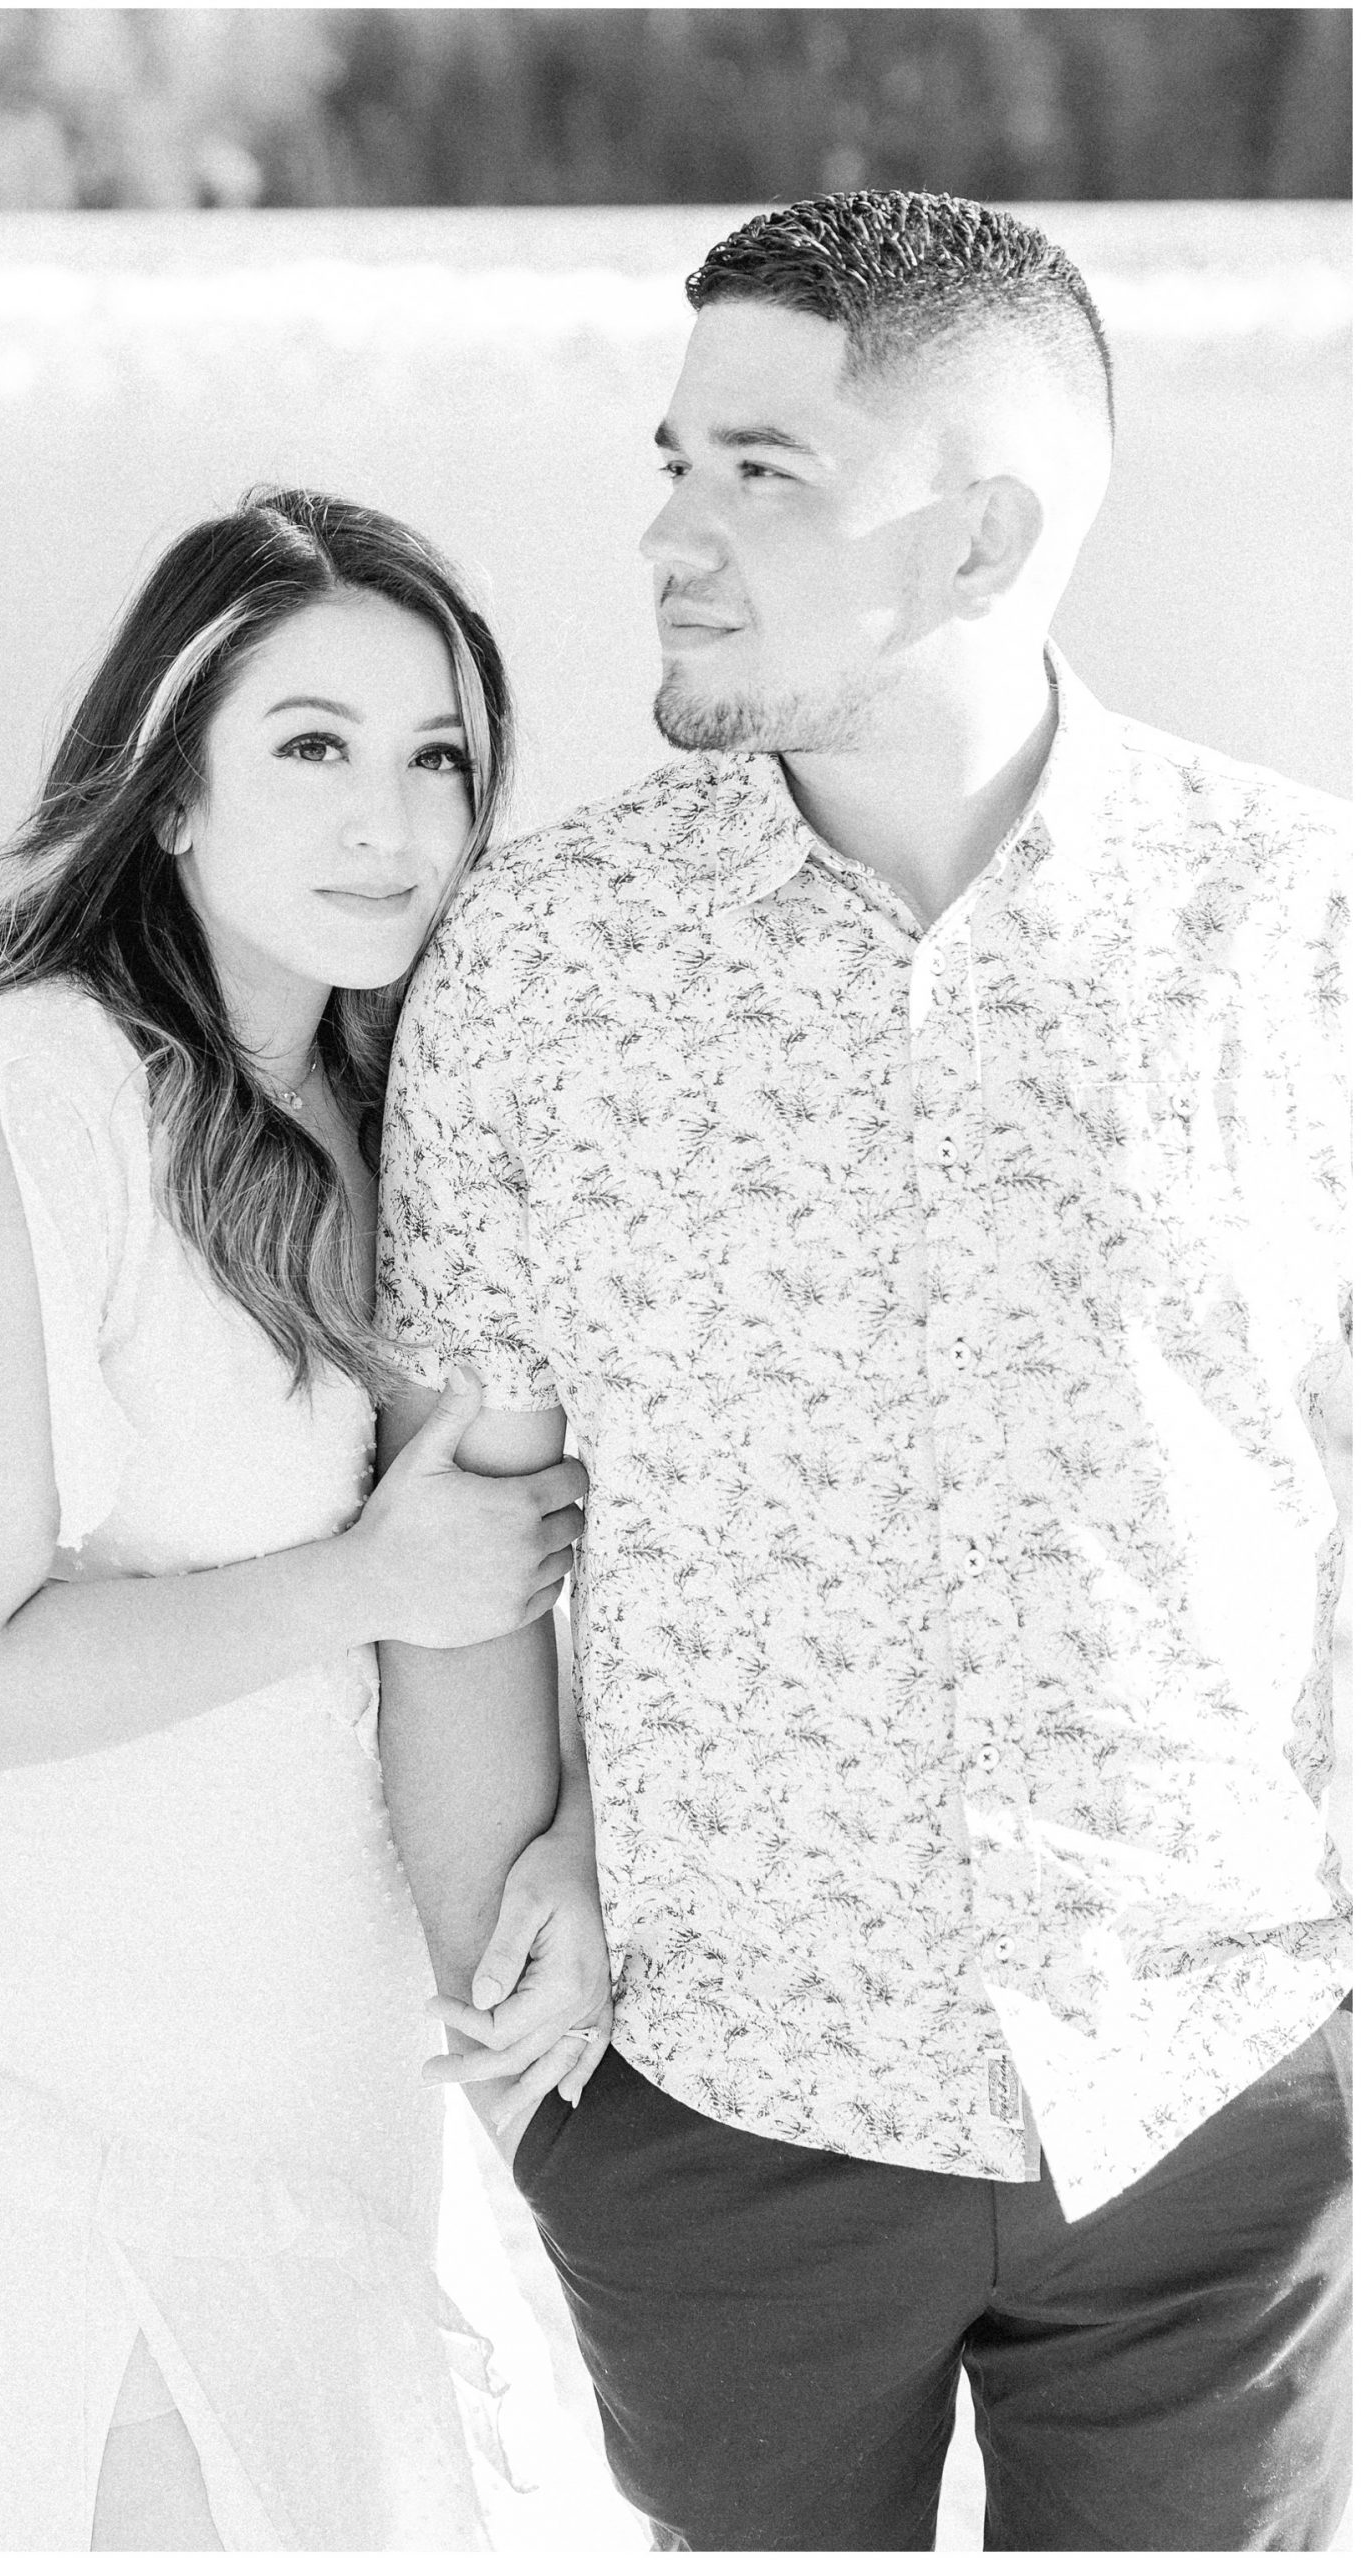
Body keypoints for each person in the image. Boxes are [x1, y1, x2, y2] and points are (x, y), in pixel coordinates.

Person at [375, 193, 1352, 2552]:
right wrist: (540, 2089)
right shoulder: (543, 962)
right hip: (721, 2119)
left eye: (760, 473)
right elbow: (463, 1543)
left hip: (1208, 2098)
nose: (668, 536)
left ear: (979, 531)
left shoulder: (1292, 930)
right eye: (673, 459)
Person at [0, 488, 605, 2553]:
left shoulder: (400, 1123)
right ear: (173, 792)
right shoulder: (29, 1099)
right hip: (7, 2035)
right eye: (310, 743)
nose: (386, 817)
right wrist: (357, 1581)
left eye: (436, 758)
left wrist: (563, 1841)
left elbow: (510, 1583)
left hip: (300, 2044)